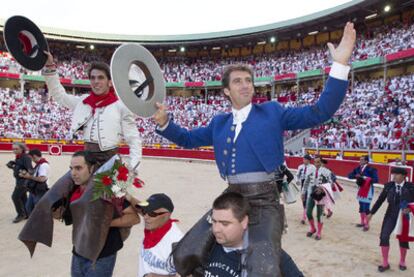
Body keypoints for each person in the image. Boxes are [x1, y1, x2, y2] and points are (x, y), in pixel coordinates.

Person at [153, 23, 356, 276]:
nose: (246, 85)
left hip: (265, 200)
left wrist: (339, 66)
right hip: (232, 197)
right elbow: (186, 139)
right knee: (187, 251)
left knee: (261, 265)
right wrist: (164, 123)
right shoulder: (219, 123)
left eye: (249, 80)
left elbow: (320, 111)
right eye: (238, 81)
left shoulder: (272, 112)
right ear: (226, 90)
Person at [19, 53, 142, 264]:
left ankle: (97, 254)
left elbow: (134, 140)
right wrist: (50, 69)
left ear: (109, 81)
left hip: (111, 165)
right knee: (50, 197)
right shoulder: (83, 102)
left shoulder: (121, 106)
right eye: (92, 78)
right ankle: (35, 235)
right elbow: (59, 96)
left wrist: (129, 167)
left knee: (98, 207)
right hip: (85, 162)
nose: (96, 82)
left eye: (100, 77)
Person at [57, 151, 140, 276]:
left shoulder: (107, 189)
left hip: (103, 254)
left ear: (91, 169)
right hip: (79, 249)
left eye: (78, 168)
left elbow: (134, 218)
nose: (73, 173)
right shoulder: (72, 190)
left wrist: (105, 223)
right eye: (71, 168)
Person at [205, 191, 304, 277]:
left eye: (225, 224)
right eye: (214, 221)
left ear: (244, 222)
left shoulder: (270, 253)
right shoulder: (206, 247)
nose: (216, 229)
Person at [367, 167, 414, 272]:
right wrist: (371, 213)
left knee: (403, 239)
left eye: (397, 174)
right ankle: (385, 262)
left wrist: (410, 209)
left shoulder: (411, 187)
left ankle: (402, 261)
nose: (394, 176)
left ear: (403, 176)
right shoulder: (389, 186)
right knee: (384, 236)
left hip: (404, 215)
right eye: (394, 174)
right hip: (391, 213)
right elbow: (380, 200)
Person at [136, 193, 183, 277]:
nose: (146, 217)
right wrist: (127, 196)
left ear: (167, 215)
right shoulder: (152, 228)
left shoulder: (177, 243)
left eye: (152, 214)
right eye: (144, 211)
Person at [302, 156, 333, 240]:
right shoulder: (310, 170)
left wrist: (322, 188)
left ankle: (319, 232)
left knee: (319, 215)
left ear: (321, 162)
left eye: (318, 162)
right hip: (312, 193)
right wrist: (303, 192)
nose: (317, 164)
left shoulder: (326, 171)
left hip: (321, 194)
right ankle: (313, 228)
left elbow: (331, 182)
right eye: (315, 162)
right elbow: (306, 182)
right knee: (308, 212)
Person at [348, 155, 379, 231]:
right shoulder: (358, 169)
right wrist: (356, 176)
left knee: (366, 207)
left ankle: (367, 224)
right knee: (361, 206)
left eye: (362, 160)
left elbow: (376, 180)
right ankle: (362, 222)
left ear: (366, 161)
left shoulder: (371, 169)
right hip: (360, 189)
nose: (360, 161)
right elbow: (349, 176)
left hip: (368, 190)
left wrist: (366, 178)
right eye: (360, 159)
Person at [19, 149, 50, 215]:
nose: (31, 160)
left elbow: (42, 179)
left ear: (34, 156)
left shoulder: (43, 165)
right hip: (35, 189)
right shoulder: (40, 164)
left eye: (31, 158)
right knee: (29, 207)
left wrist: (28, 177)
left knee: (36, 209)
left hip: (40, 190)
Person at [8, 142, 33, 223]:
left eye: (16, 149)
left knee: (15, 197)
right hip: (19, 180)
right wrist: (13, 166)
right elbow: (20, 167)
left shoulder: (25, 157)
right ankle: (26, 213)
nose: (14, 150)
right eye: (13, 149)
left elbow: (30, 170)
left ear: (22, 149)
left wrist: (21, 171)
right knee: (23, 197)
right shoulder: (19, 157)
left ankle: (21, 214)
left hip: (23, 182)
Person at [297, 154, 316, 224]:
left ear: (308, 160)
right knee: (303, 198)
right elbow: (297, 175)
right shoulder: (300, 167)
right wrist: (297, 180)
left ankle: (304, 216)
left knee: (309, 199)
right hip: (303, 183)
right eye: (303, 159)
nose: (303, 160)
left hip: (310, 184)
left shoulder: (313, 167)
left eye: (305, 159)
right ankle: (305, 214)